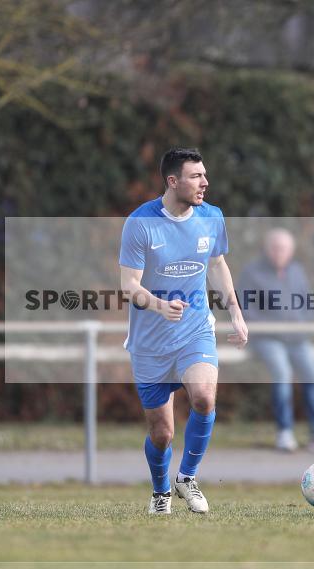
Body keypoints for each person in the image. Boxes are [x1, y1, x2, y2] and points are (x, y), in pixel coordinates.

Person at [120, 147, 249, 515]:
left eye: (205, 175)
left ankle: (187, 477)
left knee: (204, 397)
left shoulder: (212, 217)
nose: (205, 182)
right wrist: (160, 306)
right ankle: (161, 492)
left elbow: (218, 264)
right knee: (162, 433)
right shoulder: (141, 223)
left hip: (195, 330)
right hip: (149, 342)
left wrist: (236, 314)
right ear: (172, 181)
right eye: (196, 176)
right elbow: (128, 285)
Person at [237, 228, 314, 454]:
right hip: (267, 338)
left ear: (291, 251)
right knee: (282, 373)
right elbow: (243, 308)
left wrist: (302, 323)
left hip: (297, 338)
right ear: (267, 250)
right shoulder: (252, 272)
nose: (280, 252)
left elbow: (306, 303)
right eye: (275, 248)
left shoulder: (297, 271)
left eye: (284, 248)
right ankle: (284, 432)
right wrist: (269, 326)